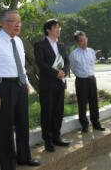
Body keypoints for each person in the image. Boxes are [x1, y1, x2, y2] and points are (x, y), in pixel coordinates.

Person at [0, 10, 40, 170]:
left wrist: (26, 82)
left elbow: (21, 66)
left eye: (19, 21)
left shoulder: (19, 41)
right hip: (3, 87)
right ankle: (8, 164)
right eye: (13, 21)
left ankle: (24, 157)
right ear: (2, 23)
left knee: (23, 123)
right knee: (5, 127)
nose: (18, 24)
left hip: (19, 85)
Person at [34, 19, 70, 152]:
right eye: (56, 27)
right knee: (47, 113)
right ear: (48, 30)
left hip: (60, 84)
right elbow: (41, 63)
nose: (59, 29)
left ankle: (57, 137)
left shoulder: (61, 45)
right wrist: (56, 73)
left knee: (58, 112)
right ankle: (48, 140)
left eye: (59, 27)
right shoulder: (40, 45)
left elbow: (67, 61)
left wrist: (64, 72)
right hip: (47, 85)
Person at [69, 31, 105, 133]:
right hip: (81, 80)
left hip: (92, 79)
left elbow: (92, 64)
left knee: (94, 102)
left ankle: (96, 123)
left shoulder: (91, 51)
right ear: (77, 42)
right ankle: (84, 125)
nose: (83, 42)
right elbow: (73, 68)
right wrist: (81, 75)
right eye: (80, 41)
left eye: (84, 39)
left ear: (87, 38)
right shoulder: (74, 54)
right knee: (82, 103)